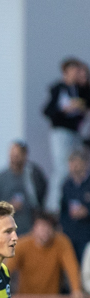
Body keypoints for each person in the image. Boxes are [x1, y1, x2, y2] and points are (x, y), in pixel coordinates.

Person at [43, 58, 89, 203]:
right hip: (61, 132)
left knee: (78, 167)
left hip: (75, 133)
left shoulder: (79, 90)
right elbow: (47, 110)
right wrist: (64, 109)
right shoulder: (59, 88)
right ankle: (54, 204)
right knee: (62, 168)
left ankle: (73, 200)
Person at [7, 212, 83, 298]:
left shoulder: (61, 243)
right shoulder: (22, 244)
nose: (45, 230)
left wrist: (76, 290)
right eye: (42, 226)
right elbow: (7, 269)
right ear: (34, 228)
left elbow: (72, 267)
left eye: (48, 226)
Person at [0, 140, 47, 235]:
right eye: (12, 155)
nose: (14, 159)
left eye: (17, 156)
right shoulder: (0, 178)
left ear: (25, 156)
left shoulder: (33, 176)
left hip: (30, 231)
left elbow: (41, 201)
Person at [58, 150, 90, 259]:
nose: (74, 167)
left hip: (87, 235)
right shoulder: (67, 185)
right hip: (71, 235)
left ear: (85, 163)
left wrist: (87, 211)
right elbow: (63, 209)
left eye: (77, 163)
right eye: (71, 163)